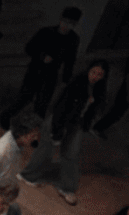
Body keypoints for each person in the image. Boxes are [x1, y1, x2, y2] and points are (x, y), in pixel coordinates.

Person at [18, 59, 108, 206]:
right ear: (88, 70)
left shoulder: (99, 89)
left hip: (76, 123)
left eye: (100, 74)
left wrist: (85, 124)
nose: (95, 76)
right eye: (93, 72)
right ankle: (28, 176)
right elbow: (61, 106)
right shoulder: (77, 83)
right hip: (59, 119)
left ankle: (67, 188)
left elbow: (91, 111)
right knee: (46, 148)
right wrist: (57, 130)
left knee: (71, 154)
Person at [0, 7, 81, 128]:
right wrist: (42, 56)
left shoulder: (73, 39)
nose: (67, 25)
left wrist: (65, 79)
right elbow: (29, 48)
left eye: (71, 24)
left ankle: (33, 128)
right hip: (35, 70)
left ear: (75, 25)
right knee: (24, 98)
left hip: (51, 74)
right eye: (65, 21)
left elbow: (70, 60)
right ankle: (5, 116)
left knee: (42, 104)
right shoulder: (46, 32)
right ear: (61, 19)